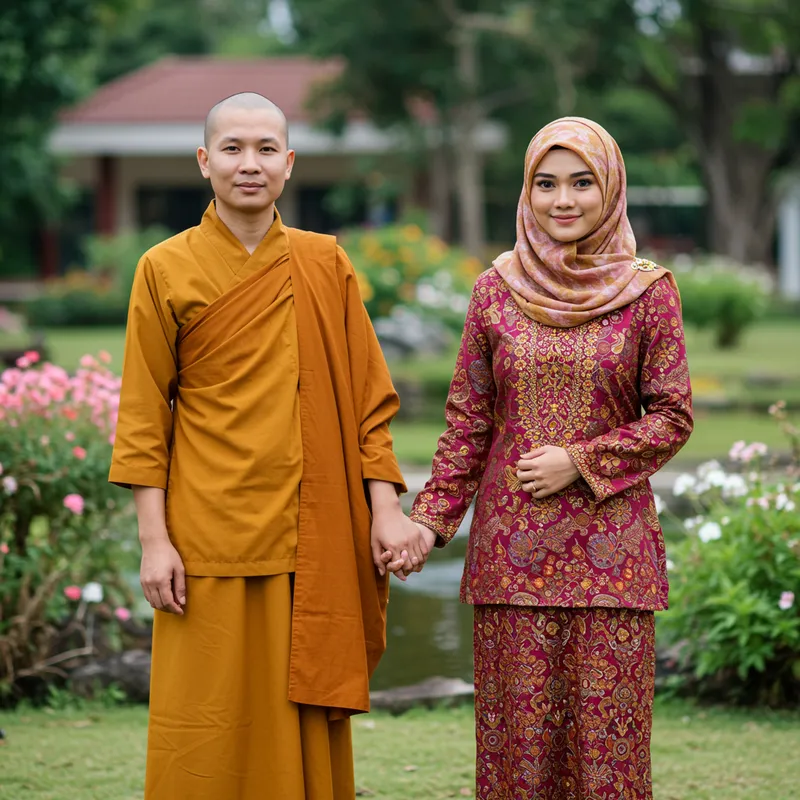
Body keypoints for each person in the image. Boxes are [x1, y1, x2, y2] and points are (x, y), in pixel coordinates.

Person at [109, 92, 430, 800]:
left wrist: (385, 512)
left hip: (309, 530)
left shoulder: (325, 265)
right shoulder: (163, 269)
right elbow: (142, 418)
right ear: (204, 162)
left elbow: (366, 406)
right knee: (206, 722)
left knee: (301, 713)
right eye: (231, 148)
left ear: (288, 165)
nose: (247, 164)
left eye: (264, 150)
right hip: (205, 534)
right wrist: (153, 541)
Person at [404, 117, 693, 799]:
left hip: (612, 561)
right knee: (519, 759)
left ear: (610, 188)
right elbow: (468, 423)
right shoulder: (494, 291)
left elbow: (674, 415)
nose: (564, 200)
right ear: (527, 194)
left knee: (607, 759)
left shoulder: (650, 291)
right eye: (546, 184)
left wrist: (581, 460)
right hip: (513, 560)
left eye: (581, 183)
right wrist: (428, 522)